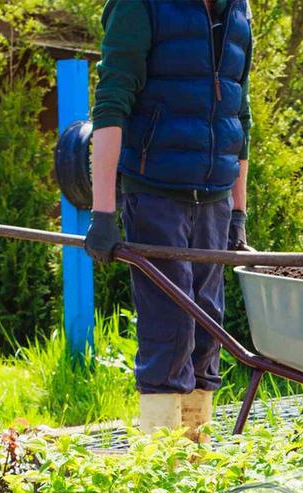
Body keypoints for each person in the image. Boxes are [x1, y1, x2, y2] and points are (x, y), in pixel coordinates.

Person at [84, 0, 253, 440]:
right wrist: (103, 211)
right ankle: (162, 461)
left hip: (215, 197)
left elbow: (239, 111)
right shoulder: (140, 6)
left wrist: (239, 211)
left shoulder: (238, 11)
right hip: (156, 192)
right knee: (169, 328)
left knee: (208, 329)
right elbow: (111, 104)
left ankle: (197, 450)